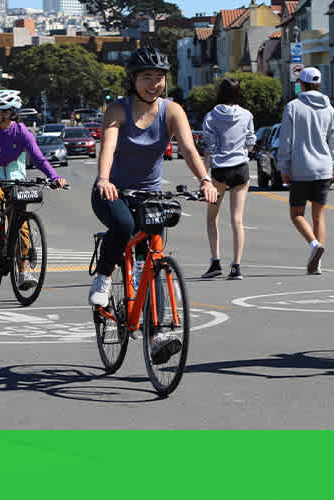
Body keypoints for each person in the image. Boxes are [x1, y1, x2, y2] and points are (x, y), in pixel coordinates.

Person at [87, 47, 217, 364]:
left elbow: (187, 147)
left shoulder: (171, 111)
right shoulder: (118, 110)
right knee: (124, 226)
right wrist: (104, 178)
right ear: (133, 79)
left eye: (159, 78)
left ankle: (157, 334)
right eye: (147, 77)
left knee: (154, 259)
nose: (154, 84)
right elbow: (110, 144)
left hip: (150, 195)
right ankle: (104, 277)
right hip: (112, 191)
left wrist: (205, 179)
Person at [0, 89, 66, 290]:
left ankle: (23, 273)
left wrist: (54, 177)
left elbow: (38, 157)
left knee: (21, 222)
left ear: (7, 112)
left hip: (15, 182)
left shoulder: (22, 131)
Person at [277, 67, 334, 275]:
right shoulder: (329, 109)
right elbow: (333, 140)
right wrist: (333, 165)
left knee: (296, 214)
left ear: (301, 84)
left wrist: (284, 166)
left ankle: (314, 245)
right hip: (323, 167)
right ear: (319, 84)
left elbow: (285, 141)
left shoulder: (293, 107)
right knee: (319, 216)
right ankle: (317, 263)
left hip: (301, 167)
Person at [200, 77, 256, 280]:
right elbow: (251, 143)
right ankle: (236, 266)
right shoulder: (246, 114)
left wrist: (203, 177)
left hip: (220, 170)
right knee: (237, 219)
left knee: (211, 217)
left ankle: (215, 261)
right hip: (241, 168)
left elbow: (209, 148)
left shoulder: (211, 117)